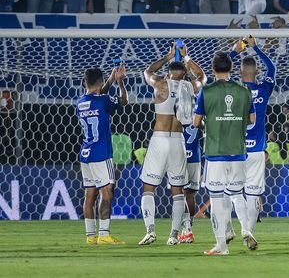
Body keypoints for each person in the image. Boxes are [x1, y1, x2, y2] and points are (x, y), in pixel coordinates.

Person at [139, 43, 205, 246]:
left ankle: (150, 231)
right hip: (178, 141)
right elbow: (201, 77)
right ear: (185, 75)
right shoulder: (189, 86)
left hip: (159, 139)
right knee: (178, 190)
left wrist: (168, 57)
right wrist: (186, 58)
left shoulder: (160, 84)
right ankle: (174, 235)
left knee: (148, 187)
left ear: (168, 73)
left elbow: (147, 71)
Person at [193, 52, 256, 255]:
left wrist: (210, 122)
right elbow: (252, 119)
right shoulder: (244, 90)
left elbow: (196, 122)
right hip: (238, 152)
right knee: (238, 194)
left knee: (217, 198)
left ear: (213, 69)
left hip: (215, 153)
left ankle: (221, 245)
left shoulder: (207, 91)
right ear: (231, 69)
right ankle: (247, 229)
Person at [230, 35, 277, 243]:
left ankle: (240, 227)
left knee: (233, 191)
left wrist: (235, 51)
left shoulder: (233, 89)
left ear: (239, 72)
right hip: (257, 149)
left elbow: (219, 71)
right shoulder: (264, 89)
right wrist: (256, 49)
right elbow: (272, 69)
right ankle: (248, 232)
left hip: (235, 148)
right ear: (257, 71)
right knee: (252, 194)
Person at [77, 64, 128, 245]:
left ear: (85, 82)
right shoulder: (103, 101)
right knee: (106, 194)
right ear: (99, 82)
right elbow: (123, 101)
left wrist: (111, 79)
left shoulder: (80, 102)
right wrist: (120, 83)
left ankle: (91, 236)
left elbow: (98, 94)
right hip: (101, 154)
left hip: (85, 154)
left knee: (89, 196)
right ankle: (104, 235)